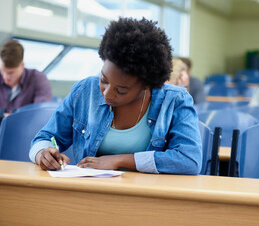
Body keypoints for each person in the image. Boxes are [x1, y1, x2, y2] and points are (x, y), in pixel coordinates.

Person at [29, 17, 202, 175]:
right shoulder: (84, 90)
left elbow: (189, 160)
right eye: (104, 80)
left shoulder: (175, 100)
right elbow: (44, 138)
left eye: (121, 90)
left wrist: (119, 160)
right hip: (91, 191)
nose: (107, 93)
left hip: (147, 196)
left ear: (147, 85)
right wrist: (42, 153)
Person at [0, 40, 52, 117]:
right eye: (2, 71)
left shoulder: (38, 78)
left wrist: (12, 117)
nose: (5, 77)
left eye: (11, 73)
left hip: (26, 127)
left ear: (22, 65)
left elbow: (40, 113)